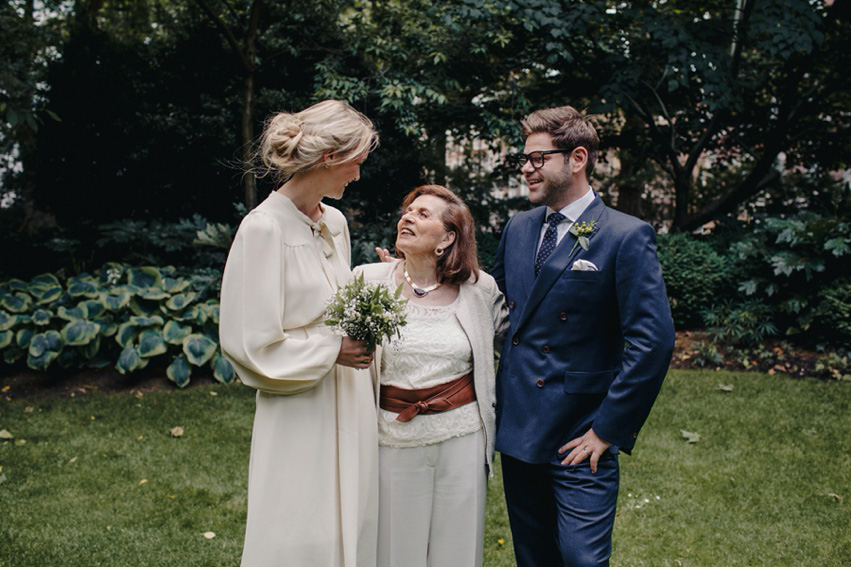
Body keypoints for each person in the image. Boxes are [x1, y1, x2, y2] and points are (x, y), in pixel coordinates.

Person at [491, 105, 675, 566]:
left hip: (579, 437)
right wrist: (416, 274)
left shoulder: (626, 235)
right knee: (534, 559)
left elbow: (653, 342)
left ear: (577, 158)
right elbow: (490, 303)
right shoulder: (518, 228)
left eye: (538, 159)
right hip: (518, 431)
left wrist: (606, 429)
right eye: (525, 159)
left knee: (582, 560)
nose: (527, 170)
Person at [219, 100, 380, 567]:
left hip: (350, 398)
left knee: (355, 518)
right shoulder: (263, 229)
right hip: (299, 406)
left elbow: (342, 304)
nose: (358, 174)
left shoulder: (335, 223)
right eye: (356, 162)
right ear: (330, 157)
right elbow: (250, 344)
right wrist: (332, 351)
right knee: (300, 526)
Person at [361, 185, 508, 567]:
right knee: (394, 551)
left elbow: (520, 340)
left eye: (423, 214)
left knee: (457, 550)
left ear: (447, 238)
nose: (408, 216)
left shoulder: (480, 288)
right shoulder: (367, 280)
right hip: (391, 438)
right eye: (408, 211)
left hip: (463, 438)